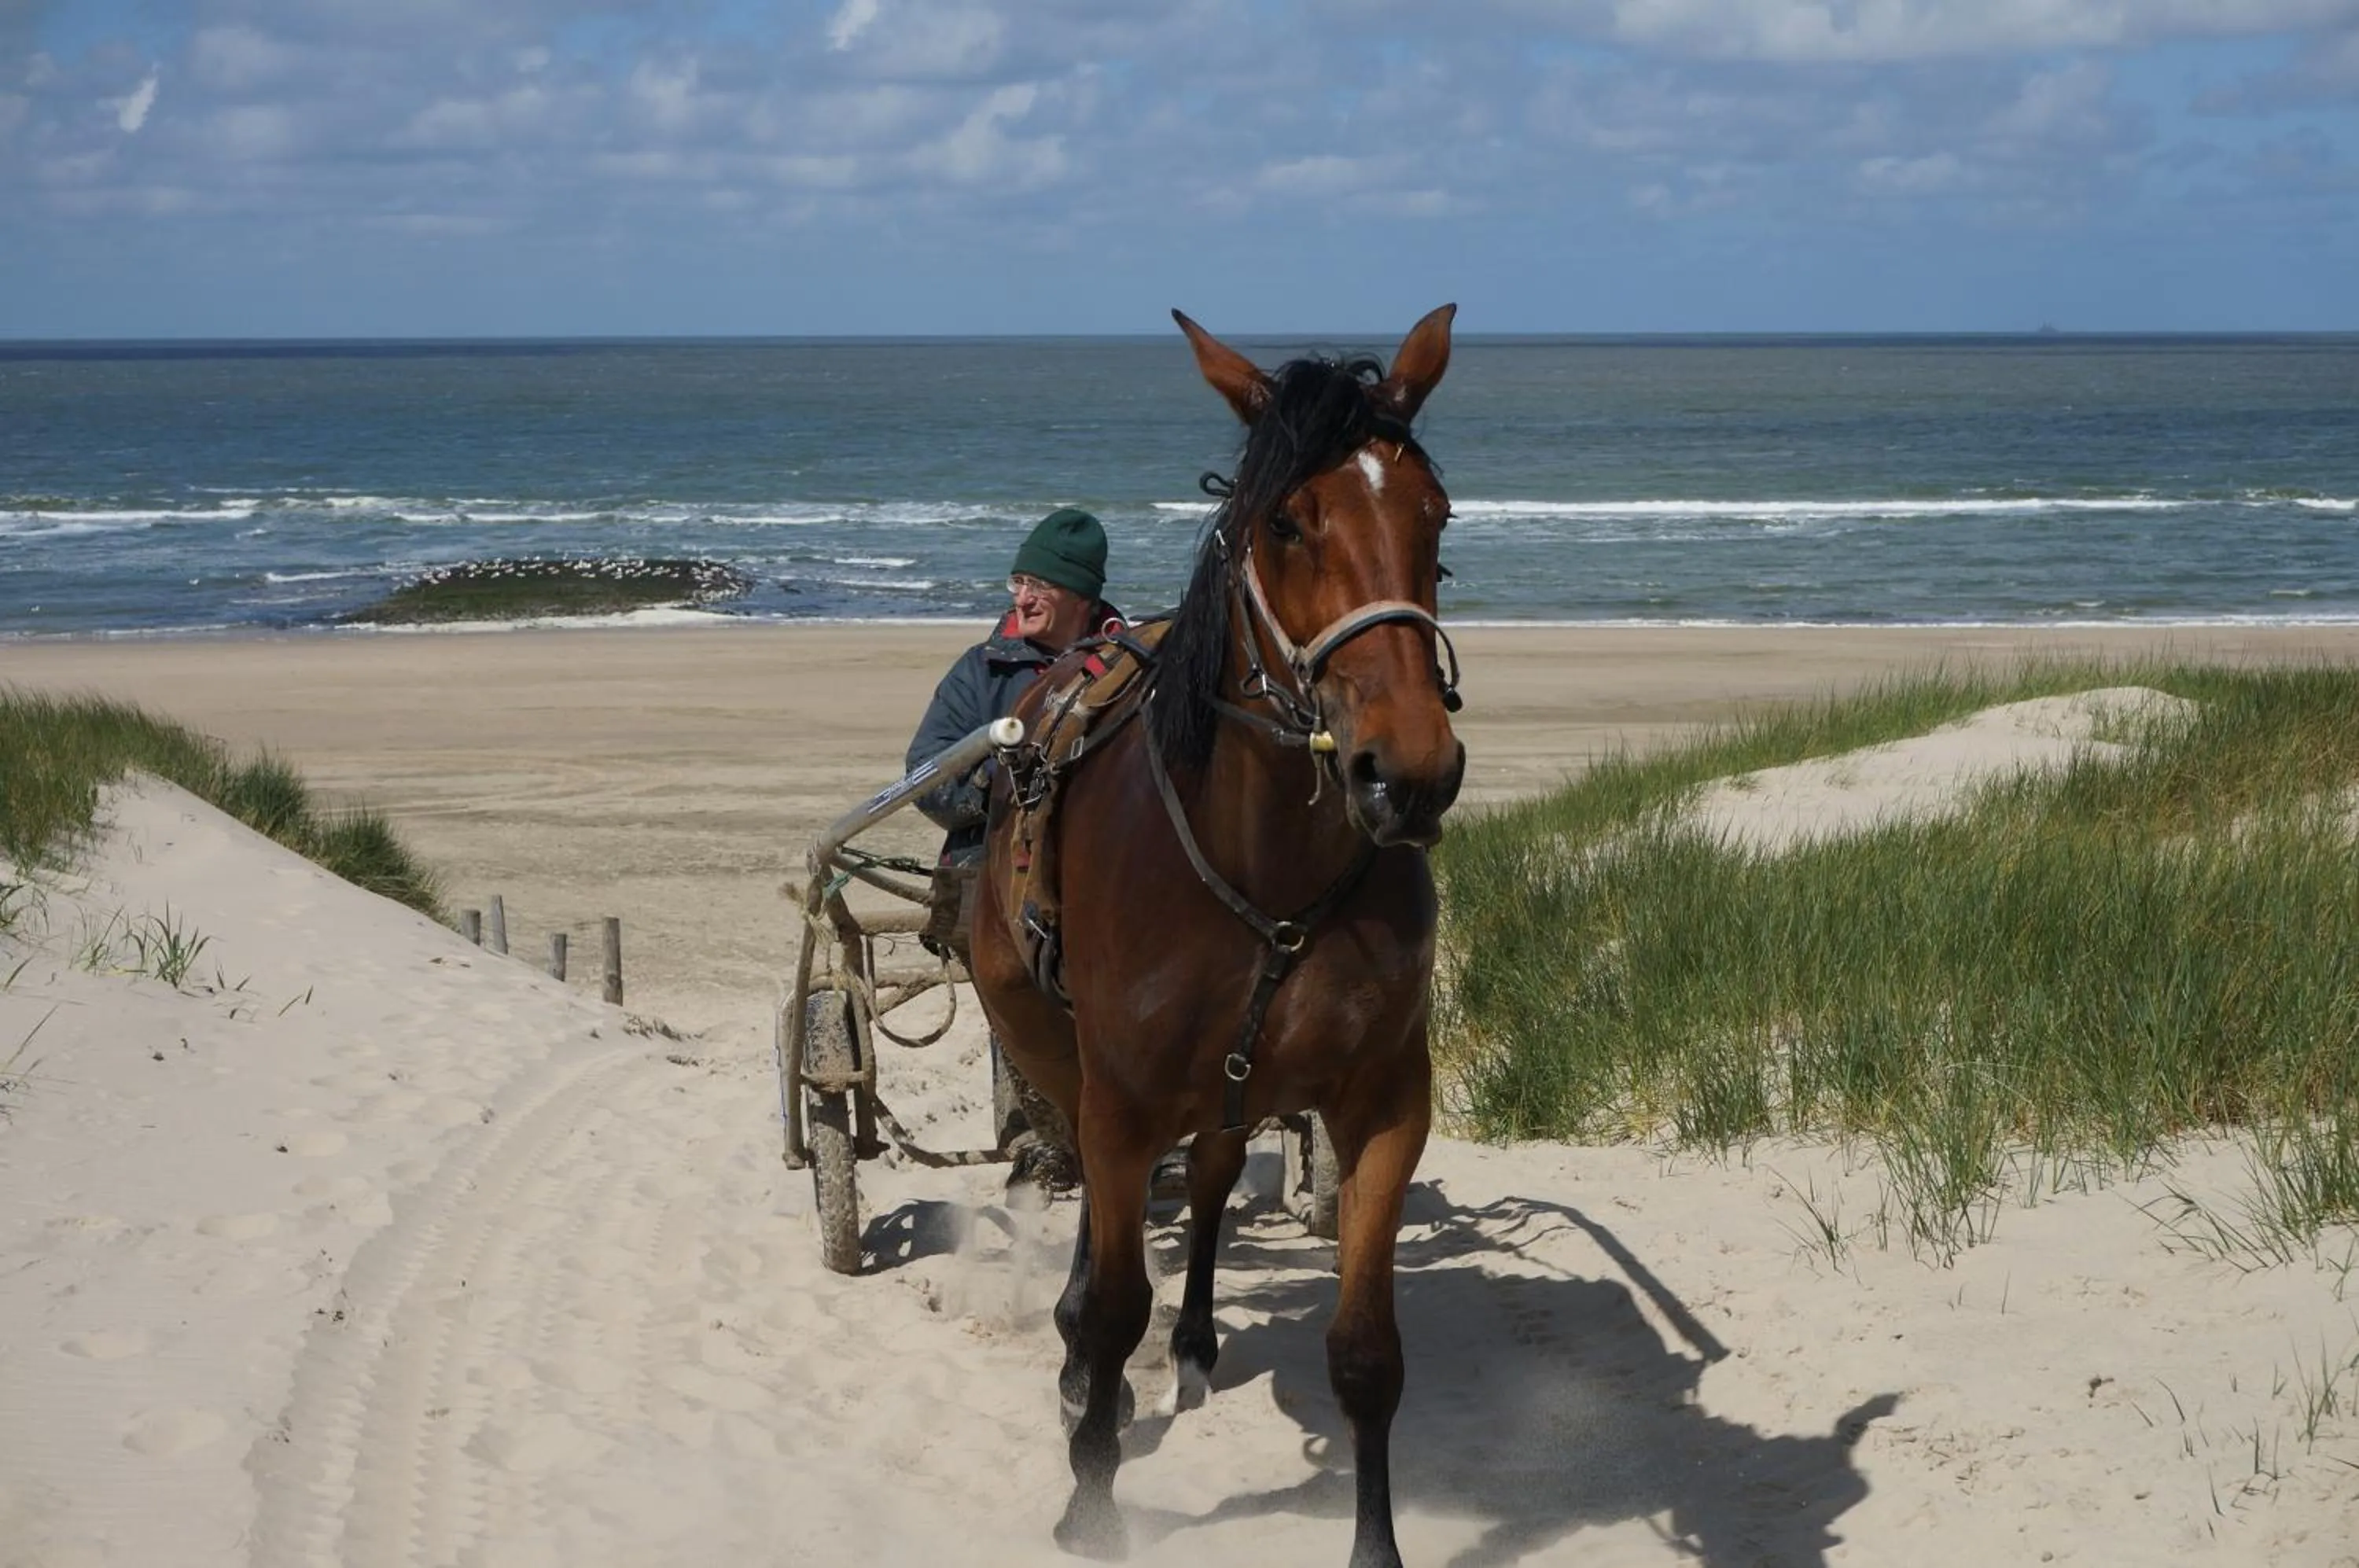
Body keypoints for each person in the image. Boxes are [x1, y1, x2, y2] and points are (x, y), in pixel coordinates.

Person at [905, 507, 1122, 1197]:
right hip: (988, 861)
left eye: (1041, 587)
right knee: (1010, 979)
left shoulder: (1132, 661)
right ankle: (1037, 1138)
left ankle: (1143, 1125)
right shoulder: (983, 670)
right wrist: (1008, 798)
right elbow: (925, 774)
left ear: (1081, 597)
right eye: (1018, 580)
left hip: (1108, 865)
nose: (1021, 598)